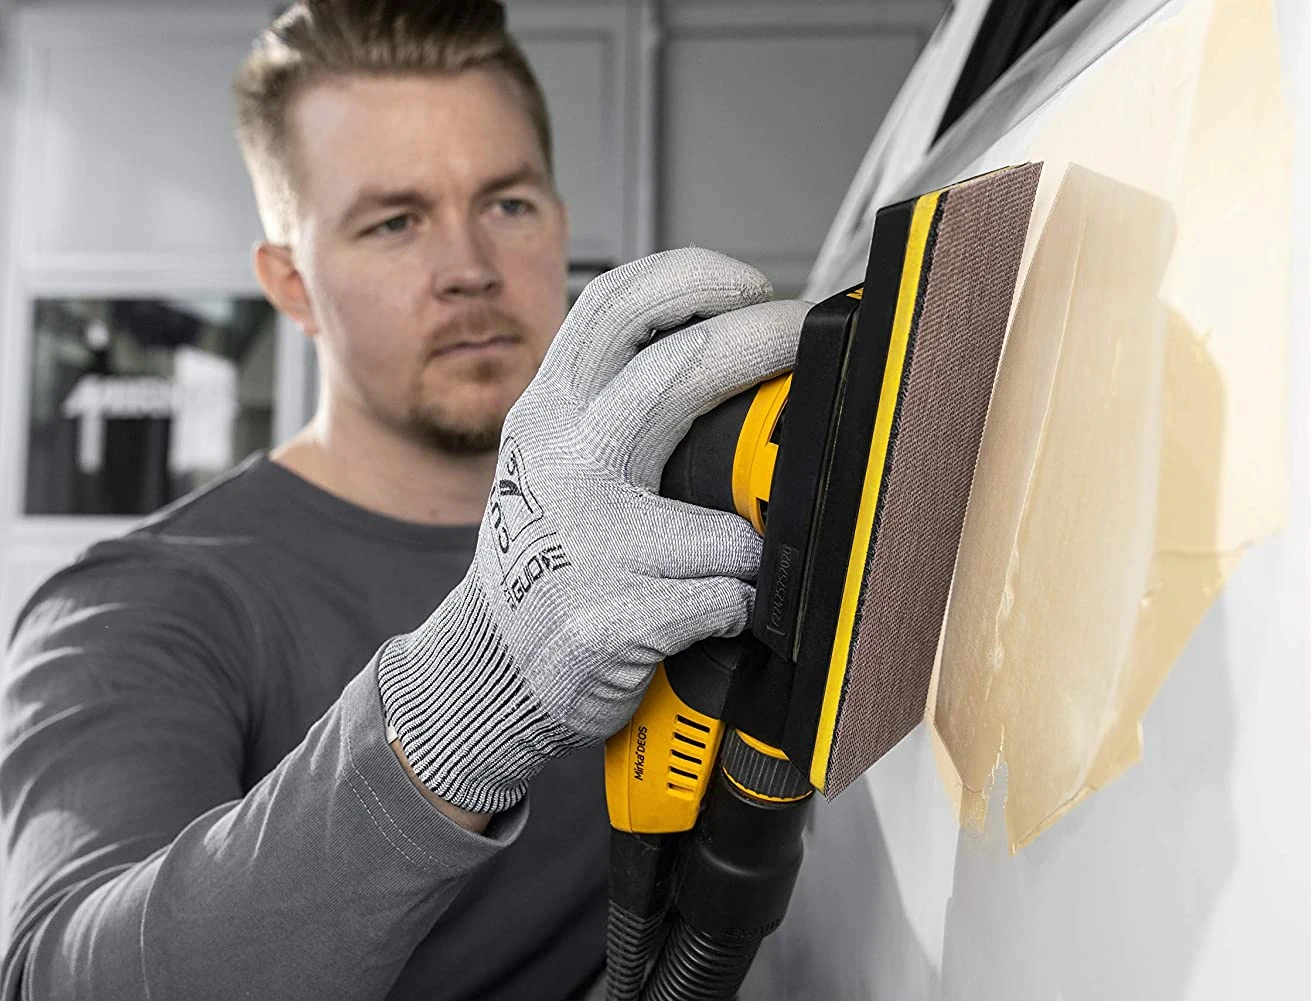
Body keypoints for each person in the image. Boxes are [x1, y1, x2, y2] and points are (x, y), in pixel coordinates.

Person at [0, 2, 807, 999]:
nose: (469, 269)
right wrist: (473, 696)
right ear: (291, 284)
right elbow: (62, 980)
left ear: (559, 223)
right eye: (394, 221)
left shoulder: (687, 517)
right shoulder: (140, 605)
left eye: (508, 204)